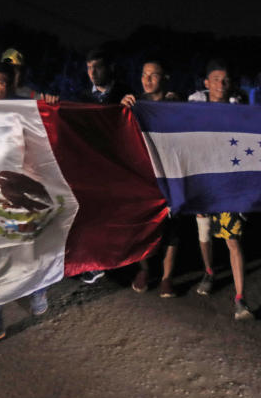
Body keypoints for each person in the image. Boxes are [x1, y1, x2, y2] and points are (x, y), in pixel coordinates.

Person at [0, 60, 50, 349]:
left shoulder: (23, 111)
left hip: (22, 193)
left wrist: (50, 105)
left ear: (9, 85)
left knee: (29, 249)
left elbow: (45, 137)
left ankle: (39, 288)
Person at [188, 59, 253, 320]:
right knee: (204, 232)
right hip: (204, 180)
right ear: (206, 83)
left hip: (230, 182)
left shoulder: (240, 110)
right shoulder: (193, 109)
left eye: (225, 80)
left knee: (232, 239)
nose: (221, 85)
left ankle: (241, 299)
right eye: (216, 79)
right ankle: (209, 271)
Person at [121, 59, 181, 297]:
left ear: (164, 78)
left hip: (171, 173)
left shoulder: (176, 103)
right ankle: (144, 269)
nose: (147, 80)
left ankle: (167, 278)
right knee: (143, 225)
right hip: (144, 175)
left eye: (153, 75)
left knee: (173, 227)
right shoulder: (135, 103)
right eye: (144, 74)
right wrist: (121, 107)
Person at [75, 48, 132, 283]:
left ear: (109, 68)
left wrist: (130, 106)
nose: (93, 72)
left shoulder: (126, 93)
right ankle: (92, 263)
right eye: (89, 67)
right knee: (90, 217)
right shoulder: (79, 97)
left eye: (97, 66)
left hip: (118, 166)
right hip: (90, 166)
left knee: (117, 218)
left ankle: (121, 265)